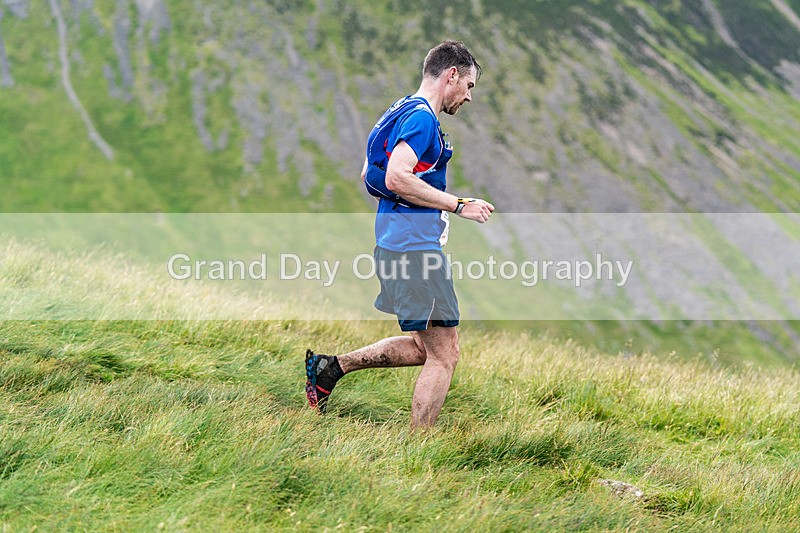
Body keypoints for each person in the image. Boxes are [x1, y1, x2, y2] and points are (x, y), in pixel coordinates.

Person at [305, 40, 494, 429]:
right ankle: (418, 450)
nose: (469, 97)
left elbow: (369, 175)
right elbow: (395, 176)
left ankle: (330, 369)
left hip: (394, 245)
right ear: (451, 75)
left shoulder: (400, 108)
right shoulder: (423, 119)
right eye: (470, 86)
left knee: (425, 347)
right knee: (446, 354)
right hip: (414, 251)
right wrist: (457, 205)